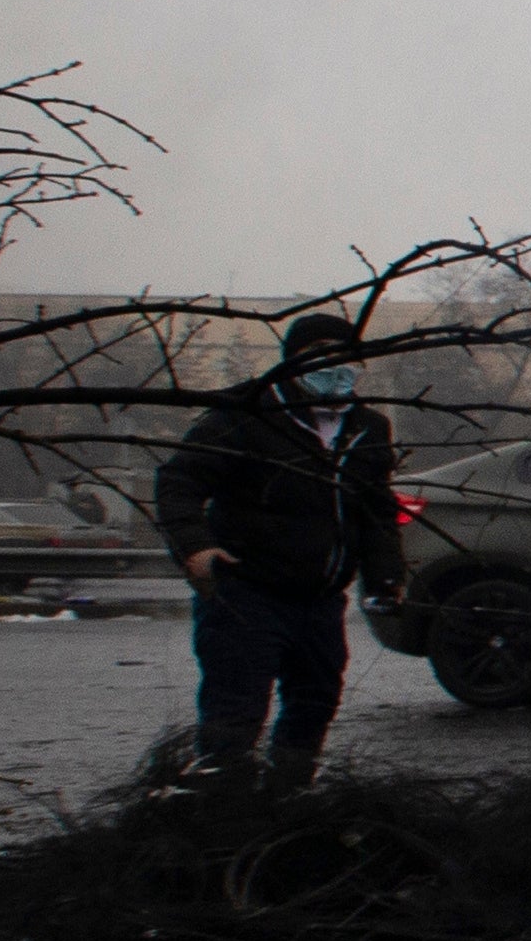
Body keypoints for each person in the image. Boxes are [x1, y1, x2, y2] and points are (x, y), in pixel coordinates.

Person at [154, 311, 403, 790]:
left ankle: (287, 796)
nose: (335, 367)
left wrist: (386, 577)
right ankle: (221, 805)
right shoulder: (246, 413)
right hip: (247, 590)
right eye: (320, 356)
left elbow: (375, 509)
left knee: (315, 699)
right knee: (236, 705)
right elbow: (179, 481)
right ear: (292, 363)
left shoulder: (368, 427)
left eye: (346, 357)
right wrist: (196, 549)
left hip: (321, 598)